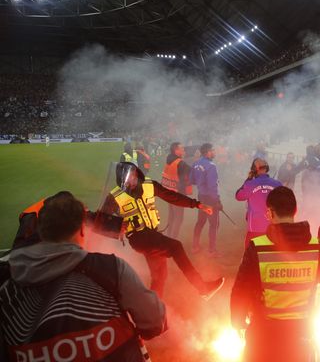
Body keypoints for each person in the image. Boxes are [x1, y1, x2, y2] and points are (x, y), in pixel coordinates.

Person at [0, 191, 167, 361]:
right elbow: (153, 322)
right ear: (81, 230)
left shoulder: (7, 286)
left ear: (40, 230)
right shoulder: (110, 269)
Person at [230, 186, 320, 362]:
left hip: (263, 336)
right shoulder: (317, 247)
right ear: (295, 210)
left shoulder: (257, 247)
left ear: (269, 213)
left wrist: (237, 321)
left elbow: (241, 289)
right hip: (302, 337)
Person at [101, 162, 223, 299]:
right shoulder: (115, 196)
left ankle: (153, 310)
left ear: (137, 174)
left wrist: (197, 204)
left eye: (134, 175)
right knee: (176, 247)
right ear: (121, 178)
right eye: (128, 176)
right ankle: (202, 288)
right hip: (138, 238)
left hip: (153, 234)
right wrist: (117, 226)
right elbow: (99, 222)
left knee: (159, 277)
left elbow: (172, 196)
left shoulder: (149, 185)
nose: (132, 179)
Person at [235, 158, 282, 247]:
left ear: (254, 170)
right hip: (274, 226)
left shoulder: (250, 184)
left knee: (250, 254)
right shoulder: (277, 184)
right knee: (271, 254)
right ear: (266, 168)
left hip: (255, 227)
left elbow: (238, 196)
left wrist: (248, 179)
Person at [190, 143, 222, 255]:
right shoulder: (211, 166)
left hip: (201, 197)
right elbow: (213, 186)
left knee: (200, 221)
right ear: (208, 152)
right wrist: (217, 201)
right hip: (211, 199)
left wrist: (201, 183)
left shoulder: (196, 163)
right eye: (213, 150)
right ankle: (212, 250)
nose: (214, 152)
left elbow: (192, 180)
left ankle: (195, 246)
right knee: (214, 224)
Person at [161, 142, 193, 239]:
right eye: (182, 148)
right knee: (178, 219)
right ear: (176, 150)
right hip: (177, 195)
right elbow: (191, 173)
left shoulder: (169, 159)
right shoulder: (180, 163)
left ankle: (168, 238)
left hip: (168, 192)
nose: (184, 150)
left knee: (171, 217)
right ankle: (172, 241)